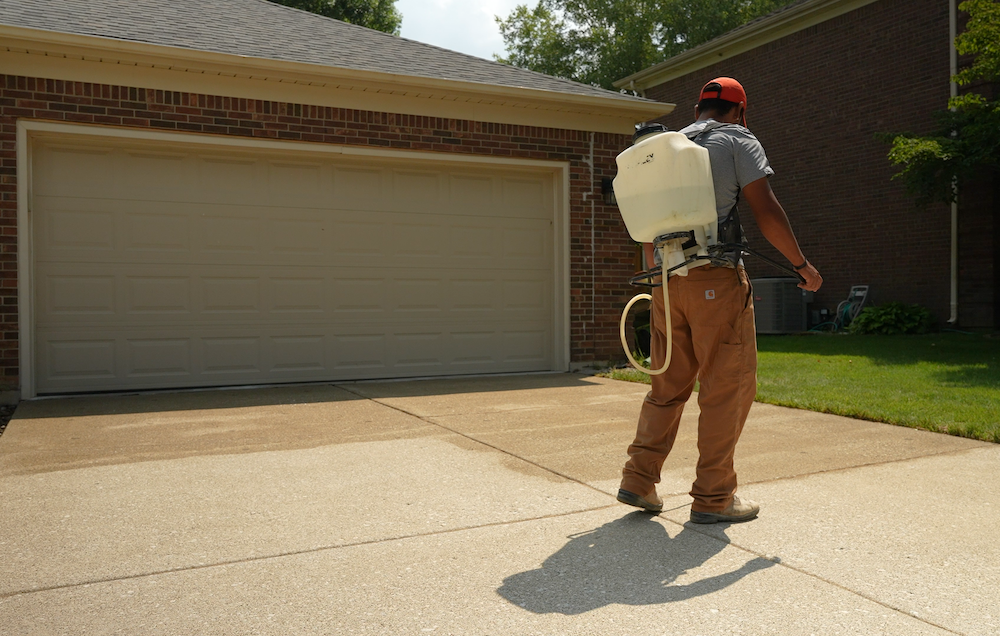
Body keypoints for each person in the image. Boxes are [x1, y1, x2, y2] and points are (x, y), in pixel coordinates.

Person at [616, 77, 823, 523]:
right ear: (740, 110)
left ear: (697, 110)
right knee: (725, 388)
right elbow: (765, 210)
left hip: (665, 281)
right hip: (715, 279)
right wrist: (801, 266)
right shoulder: (737, 140)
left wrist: (658, 282)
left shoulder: (665, 147)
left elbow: (649, 224)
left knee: (666, 388)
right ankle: (714, 498)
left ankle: (639, 479)